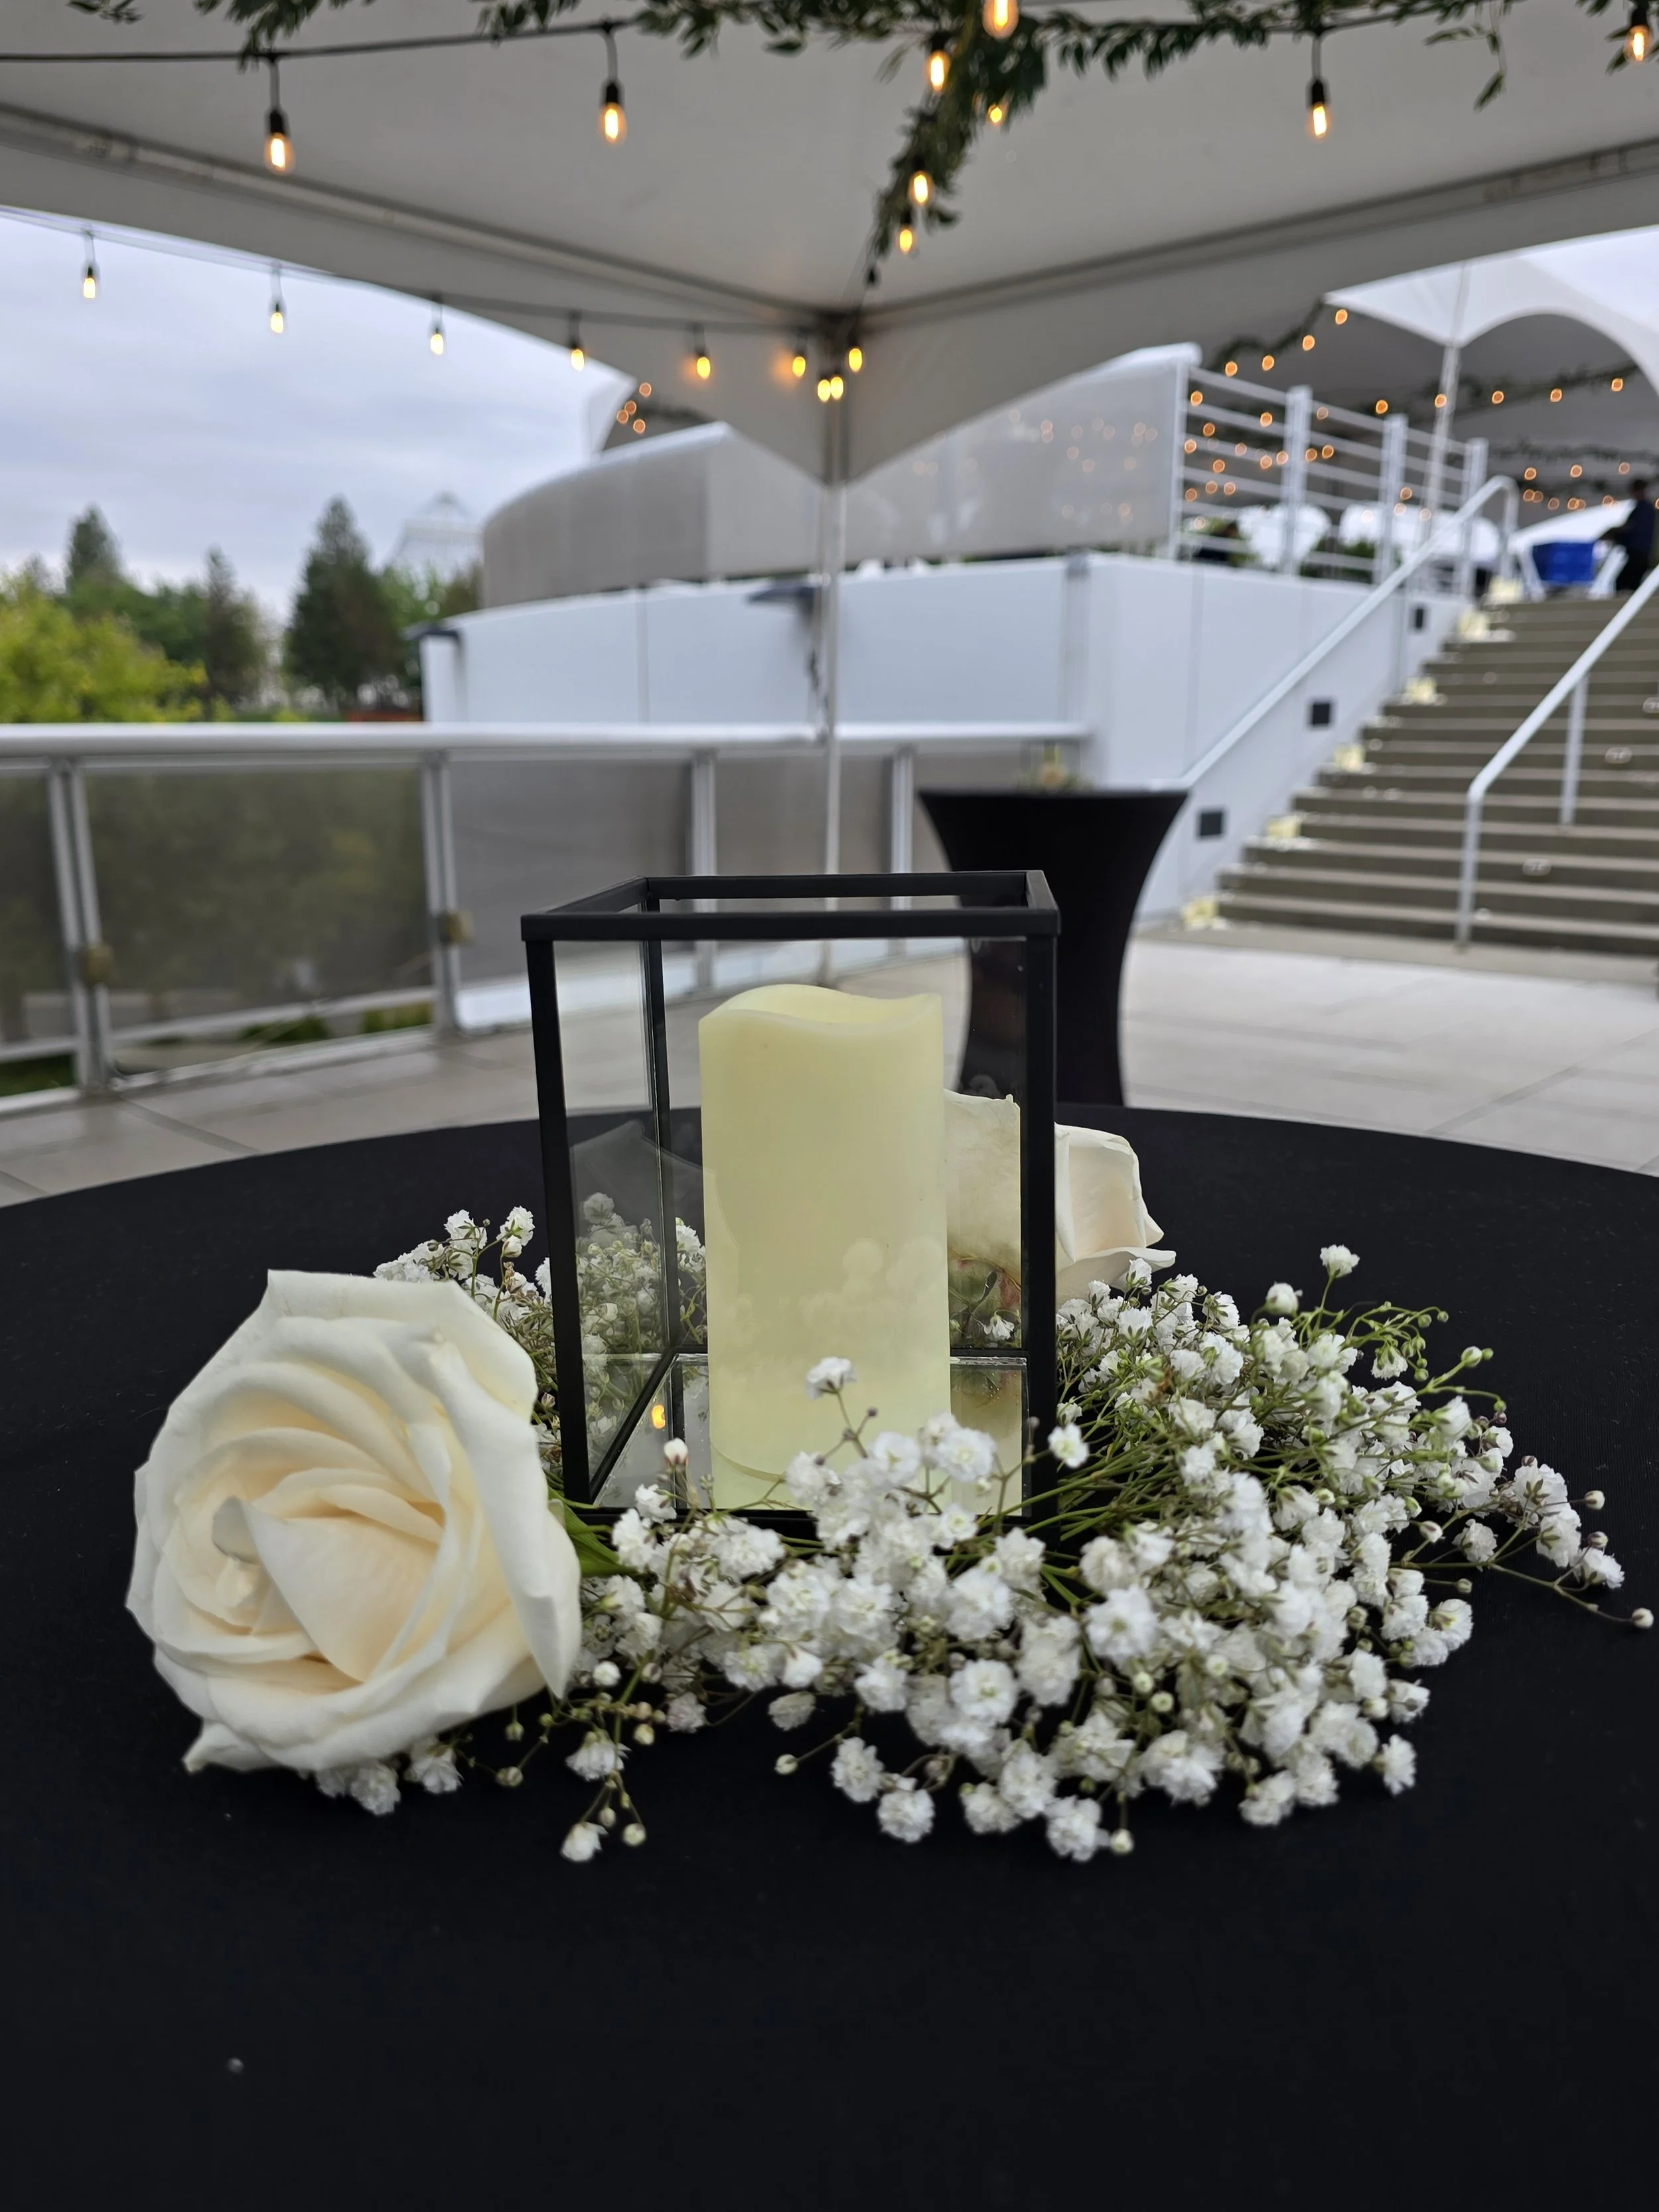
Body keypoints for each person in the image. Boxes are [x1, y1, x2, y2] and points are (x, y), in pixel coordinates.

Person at [1601, 478, 1656, 591]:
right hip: (1642, 552)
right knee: (1631, 582)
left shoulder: (1643, 509)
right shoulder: (1646, 508)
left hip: (1640, 553)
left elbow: (1631, 528)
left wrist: (1613, 532)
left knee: (1623, 582)